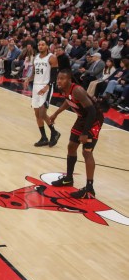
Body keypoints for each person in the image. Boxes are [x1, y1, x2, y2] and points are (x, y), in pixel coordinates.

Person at [49, 70, 105, 199]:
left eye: (62, 79)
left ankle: (89, 189)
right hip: (82, 118)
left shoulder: (77, 90)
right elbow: (67, 102)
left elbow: (91, 112)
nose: (59, 81)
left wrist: (85, 133)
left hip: (94, 119)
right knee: (71, 146)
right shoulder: (65, 90)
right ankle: (68, 179)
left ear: (69, 80)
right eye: (58, 78)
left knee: (87, 152)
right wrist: (56, 114)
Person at [23, 40, 61, 147]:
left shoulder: (51, 57)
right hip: (36, 86)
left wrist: (47, 86)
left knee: (42, 113)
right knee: (37, 113)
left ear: (47, 46)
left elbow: (54, 75)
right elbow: (35, 73)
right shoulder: (35, 58)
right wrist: (28, 79)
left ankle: (54, 132)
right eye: (39, 45)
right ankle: (44, 137)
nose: (40, 46)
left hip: (46, 86)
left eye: (42, 44)